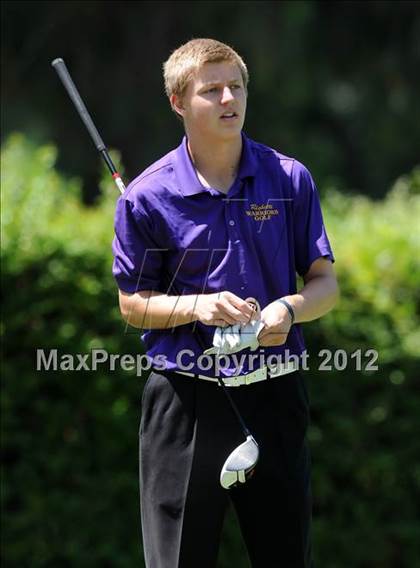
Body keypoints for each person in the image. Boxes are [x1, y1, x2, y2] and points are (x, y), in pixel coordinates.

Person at [112, 38, 338, 568]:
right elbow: (132, 304)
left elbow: (324, 282)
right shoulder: (145, 197)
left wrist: (291, 308)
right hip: (187, 400)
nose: (228, 98)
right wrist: (197, 307)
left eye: (235, 86)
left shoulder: (289, 178)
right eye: (211, 90)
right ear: (178, 102)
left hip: (275, 393)